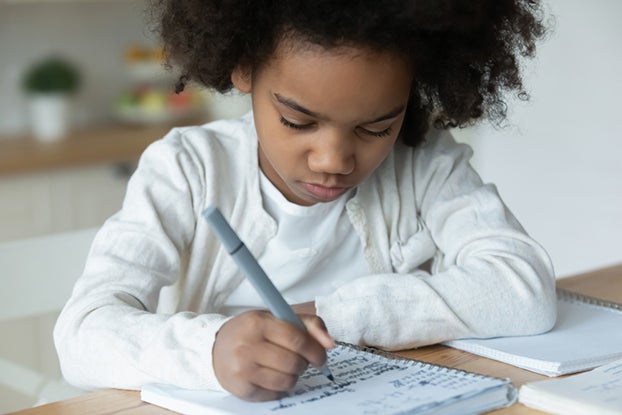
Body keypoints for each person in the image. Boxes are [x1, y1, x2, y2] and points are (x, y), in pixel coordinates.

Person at [54, 0, 557, 402]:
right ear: (244, 69)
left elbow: (523, 288)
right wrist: (211, 350)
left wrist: (333, 317)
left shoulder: (424, 162)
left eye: (376, 127)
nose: (333, 160)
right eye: (299, 122)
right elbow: (82, 335)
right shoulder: (187, 170)